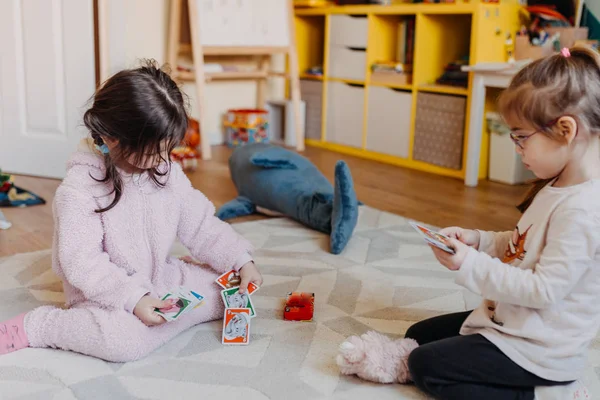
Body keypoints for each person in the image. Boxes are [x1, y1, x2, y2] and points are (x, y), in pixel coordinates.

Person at [0, 60, 263, 362]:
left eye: (168, 149)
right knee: (123, 343)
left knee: (227, 293)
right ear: (113, 138)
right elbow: (82, 263)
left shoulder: (164, 169)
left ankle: (163, 313)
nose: (164, 159)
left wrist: (240, 260)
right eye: (155, 151)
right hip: (103, 295)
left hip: (158, 278)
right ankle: (43, 326)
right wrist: (134, 299)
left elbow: (200, 223)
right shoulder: (79, 189)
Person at [406, 46, 600, 399]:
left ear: (565, 130)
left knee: (424, 365)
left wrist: (470, 264)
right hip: (519, 323)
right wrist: (478, 241)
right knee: (416, 336)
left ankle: (544, 395)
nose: (516, 147)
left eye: (521, 136)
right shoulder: (557, 184)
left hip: (542, 350)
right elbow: (523, 244)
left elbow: (543, 291)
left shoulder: (583, 211)